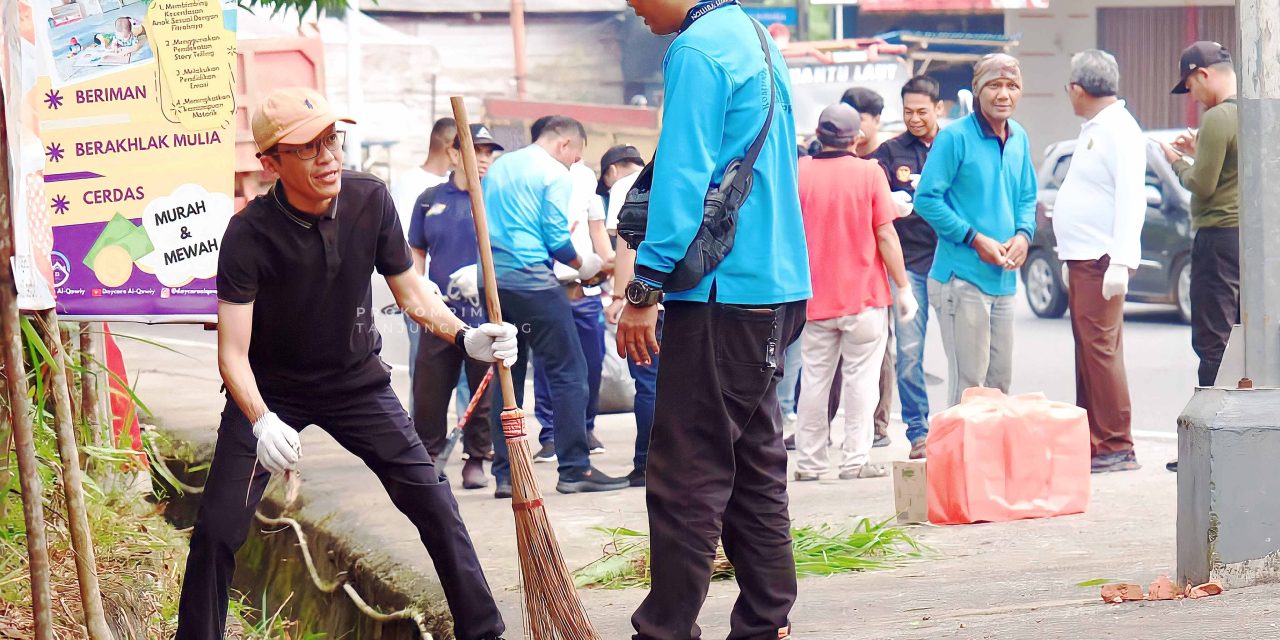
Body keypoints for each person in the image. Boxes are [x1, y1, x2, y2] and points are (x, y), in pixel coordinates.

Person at [176, 87, 514, 640]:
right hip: (270, 392)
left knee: (432, 499)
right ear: (271, 164)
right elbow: (232, 354)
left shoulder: (369, 199)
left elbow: (410, 292)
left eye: (331, 140)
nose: (328, 156)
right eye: (307, 148)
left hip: (357, 383)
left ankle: (483, 631)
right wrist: (260, 420)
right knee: (217, 527)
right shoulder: (247, 235)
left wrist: (465, 336)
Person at [618, 2, 810, 638]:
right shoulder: (754, 35)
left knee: (687, 472)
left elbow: (683, 171)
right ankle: (765, 621)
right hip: (775, 285)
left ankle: (665, 630)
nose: (631, 5)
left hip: (721, 293)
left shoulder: (698, 47)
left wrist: (645, 285)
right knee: (753, 468)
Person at [483, 115, 628, 497]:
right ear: (564, 144)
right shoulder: (553, 173)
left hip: (494, 283)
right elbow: (555, 239)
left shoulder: (499, 167)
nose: (574, 164)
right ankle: (575, 469)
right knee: (569, 371)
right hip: (532, 282)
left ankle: (506, 475)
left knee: (508, 373)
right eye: (575, 156)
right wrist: (585, 264)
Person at [793, 103, 917, 482]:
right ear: (857, 138)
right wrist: (904, 287)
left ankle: (810, 463)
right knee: (861, 382)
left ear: (819, 135)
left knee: (814, 381)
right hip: (864, 299)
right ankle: (854, 462)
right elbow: (886, 235)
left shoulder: (799, 172)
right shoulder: (869, 172)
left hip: (814, 300)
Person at [914, 53, 1037, 407]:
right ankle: (960, 448)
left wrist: (1024, 235)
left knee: (999, 385)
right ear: (977, 89)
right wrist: (974, 238)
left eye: (1012, 86)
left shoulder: (1019, 137)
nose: (1004, 94)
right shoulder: (954, 138)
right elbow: (926, 199)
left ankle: (991, 447)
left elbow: (1027, 196)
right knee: (970, 389)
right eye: (994, 85)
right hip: (961, 278)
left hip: (1004, 281)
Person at [1054, 50, 1146, 474]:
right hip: (1084, 257)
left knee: (1101, 351)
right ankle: (1095, 440)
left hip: (1101, 258)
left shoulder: (1118, 129)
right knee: (1089, 352)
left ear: (1077, 89)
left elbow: (1132, 197)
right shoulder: (1098, 127)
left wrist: (1121, 260)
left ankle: (1116, 444)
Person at [407, 124, 505, 489]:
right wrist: (420, 282)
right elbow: (416, 249)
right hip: (439, 313)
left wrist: (480, 275)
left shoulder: (495, 199)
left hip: (483, 313)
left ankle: (476, 458)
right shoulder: (430, 200)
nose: (483, 159)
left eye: (489, 153)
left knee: (483, 393)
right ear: (453, 153)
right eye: (476, 151)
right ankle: (429, 456)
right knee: (429, 391)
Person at [1158, 42, 1239, 474]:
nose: (1190, 94)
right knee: (1246, 340)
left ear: (1203, 74)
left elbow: (1203, 186)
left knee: (1213, 340)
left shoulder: (1217, 117)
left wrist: (1175, 161)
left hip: (1216, 237)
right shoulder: (1254, 113)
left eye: (1189, 84)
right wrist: (1197, 152)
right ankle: (1244, 438)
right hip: (1250, 241)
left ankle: (1208, 448)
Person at [531, 116, 616, 461]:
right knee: (548, 364)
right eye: (577, 149)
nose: (579, 157)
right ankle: (551, 434)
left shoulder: (584, 177)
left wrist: (610, 265)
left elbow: (597, 228)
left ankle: (585, 426)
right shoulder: (533, 176)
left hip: (586, 287)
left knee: (591, 362)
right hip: (547, 285)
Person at [869, 75, 944, 459]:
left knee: (964, 355)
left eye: (922, 112)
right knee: (910, 353)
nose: (914, 118)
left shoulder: (952, 146)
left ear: (938, 109)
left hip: (951, 263)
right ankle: (918, 432)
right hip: (910, 265)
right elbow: (868, 194)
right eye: (908, 111)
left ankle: (967, 428)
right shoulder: (890, 152)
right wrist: (890, 203)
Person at [841, 85, 895, 448]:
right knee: (826, 358)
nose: (854, 127)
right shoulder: (826, 155)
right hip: (837, 268)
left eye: (860, 119)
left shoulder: (884, 160)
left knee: (881, 353)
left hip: (875, 268)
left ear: (876, 120)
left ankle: (878, 425)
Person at [601, 144, 656, 487]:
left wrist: (620, 297)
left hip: (644, 301)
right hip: (691, 299)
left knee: (649, 384)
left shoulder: (627, 186)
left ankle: (648, 464)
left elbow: (626, 247)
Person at [393, 117, 456, 385]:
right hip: (423, 294)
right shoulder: (410, 183)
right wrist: (417, 286)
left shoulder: (458, 187)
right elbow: (403, 242)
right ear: (450, 148)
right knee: (424, 374)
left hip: (458, 295)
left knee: (467, 374)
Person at [842, 86, 884, 158]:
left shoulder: (890, 158)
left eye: (859, 119)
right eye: (846, 118)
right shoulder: (831, 155)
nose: (851, 125)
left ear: (877, 121)